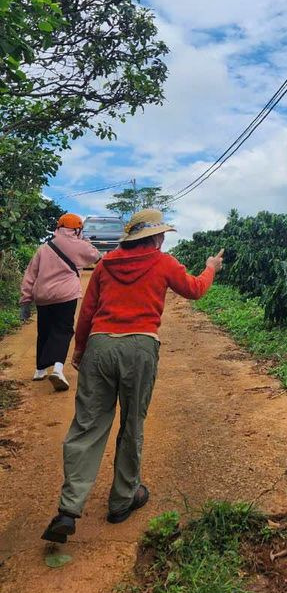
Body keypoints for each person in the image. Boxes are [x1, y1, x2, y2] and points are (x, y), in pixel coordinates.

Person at [41, 208, 224, 544]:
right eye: (162, 234)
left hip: (100, 345)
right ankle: (123, 500)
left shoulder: (106, 264)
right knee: (131, 423)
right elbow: (195, 289)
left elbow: (88, 312)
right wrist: (211, 268)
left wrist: (79, 350)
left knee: (87, 425)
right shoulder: (163, 262)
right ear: (154, 236)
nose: (164, 239)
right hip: (140, 347)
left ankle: (68, 509)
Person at [20, 213, 101, 391]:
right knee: (63, 330)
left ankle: (40, 370)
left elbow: (30, 274)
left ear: (59, 227)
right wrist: (85, 240)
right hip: (66, 295)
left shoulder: (44, 247)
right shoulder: (80, 245)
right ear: (77, 229)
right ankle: (57, 368)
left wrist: (26, 300)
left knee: (44, 330)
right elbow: (95, 256)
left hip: (43, 296)